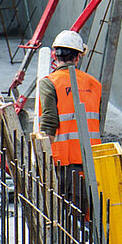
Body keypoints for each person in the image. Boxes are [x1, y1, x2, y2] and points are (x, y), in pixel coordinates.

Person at [36, 29, 102, 219]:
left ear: (54, 55)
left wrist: (42, 161)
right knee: (84, 216)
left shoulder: (50, 83)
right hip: (90, 161)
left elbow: (48, 123)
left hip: (62, 162)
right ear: (78, 57)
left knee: (62, 219)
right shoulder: (94, 85)